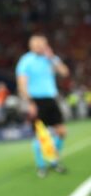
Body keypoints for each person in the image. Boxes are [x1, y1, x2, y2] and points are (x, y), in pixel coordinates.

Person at [16, 34, 70, 177]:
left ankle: (52, 159)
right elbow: (22, 84)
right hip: (36, 100)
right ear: (31, 46)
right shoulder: (25, 61)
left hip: (51, 99)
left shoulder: (51, 58)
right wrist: (30, 103)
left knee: (62, 132)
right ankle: (41, 166)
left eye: (42, 43)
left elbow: (65, 72)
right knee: (41, 135)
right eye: (36, 44)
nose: (40, 46)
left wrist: (52, 57)